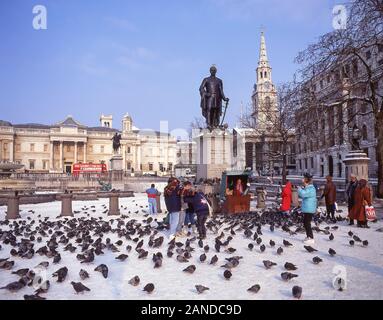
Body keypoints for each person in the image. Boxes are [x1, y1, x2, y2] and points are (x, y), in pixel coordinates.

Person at [298, 173, 318, 245]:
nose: (302, 180)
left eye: (304, 179)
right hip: (307, 208)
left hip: (309, 209)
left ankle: (311, 237)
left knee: (307, 223)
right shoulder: (308, 188)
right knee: (305, 222)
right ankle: (308, 236)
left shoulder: (311, 188)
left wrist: (299, 189)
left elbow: (303, 194)